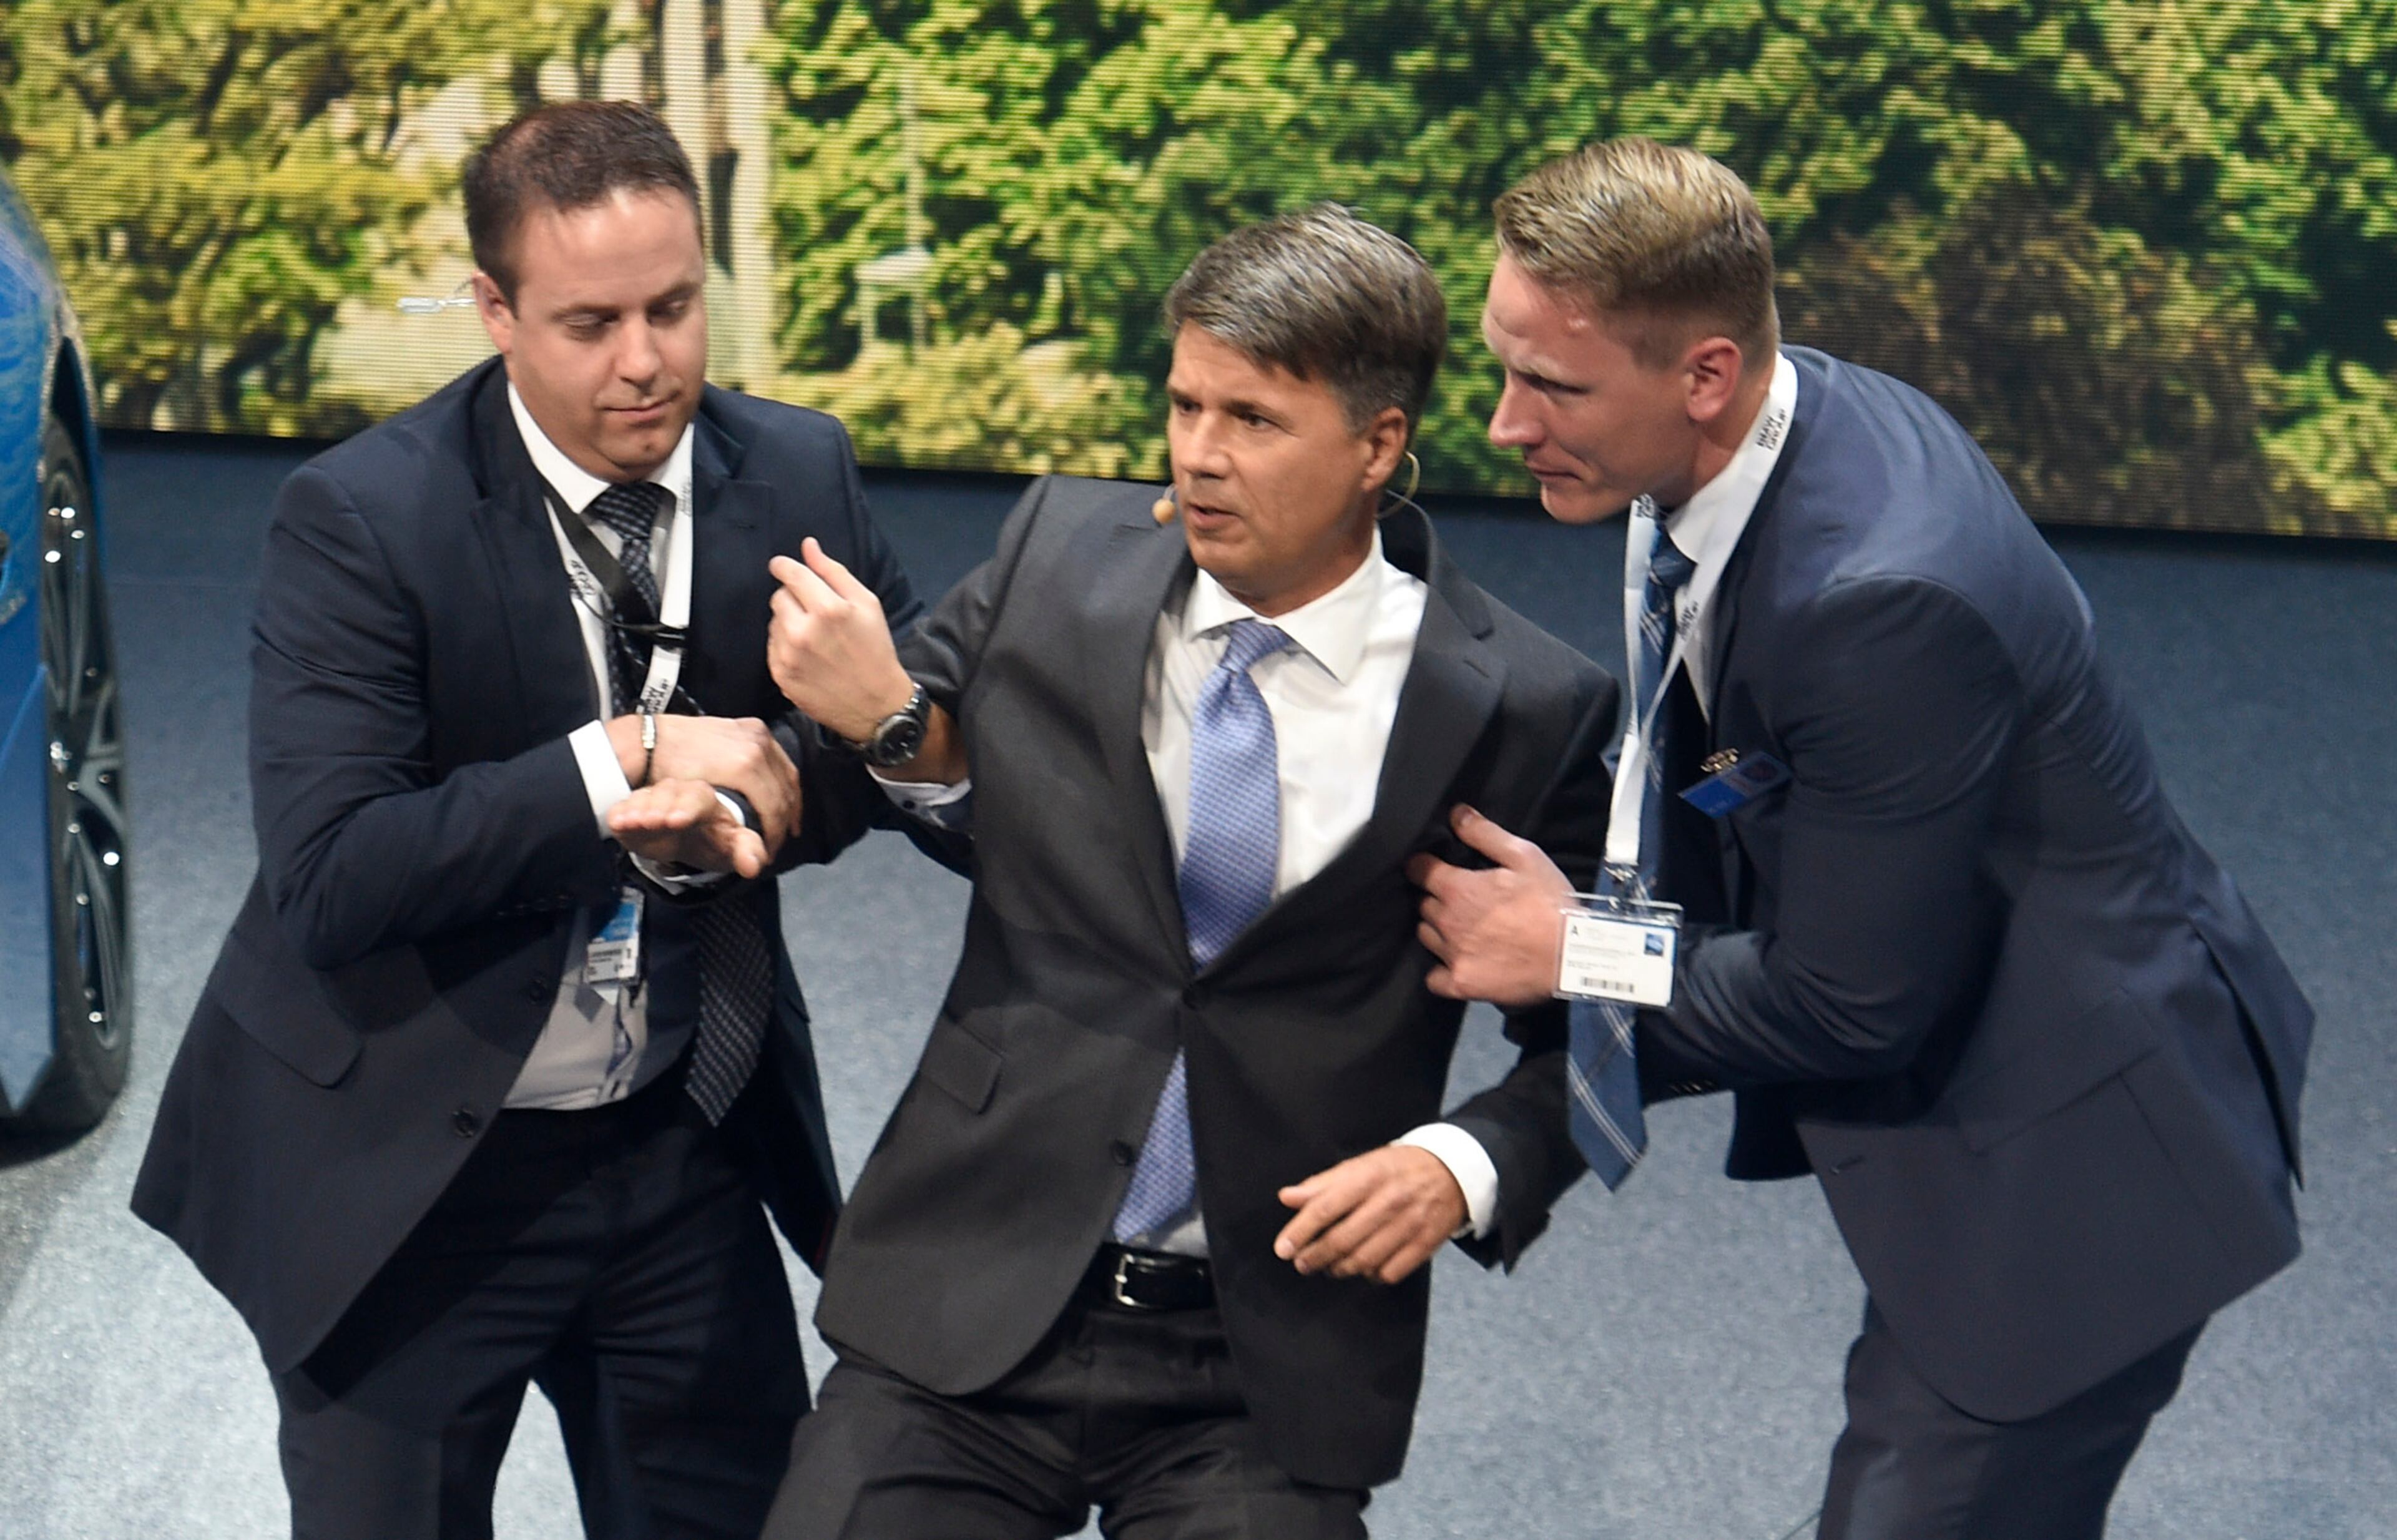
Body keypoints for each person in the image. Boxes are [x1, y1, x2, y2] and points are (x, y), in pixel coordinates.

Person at [1411, 137, 2313, 1538]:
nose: (1507, 424)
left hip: (2077, 1189)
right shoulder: (1786, 423)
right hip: (2029, 1081)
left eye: (1553, 386)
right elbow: (1751, 778)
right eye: (1506, 365)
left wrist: (1577, 946)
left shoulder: (1874, 601)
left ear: (1706, 372)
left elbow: (1851, 998)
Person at [751, 205, 1615, 1538]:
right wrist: (807, 742)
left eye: (1254, 420)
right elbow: (898, 770)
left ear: (1379, 444)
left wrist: (1467, 1162)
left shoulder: (1524, 706)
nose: (1200, 455)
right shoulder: (1055, 559)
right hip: (969, 1301)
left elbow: (1603, 1035)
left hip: (1260, 1372)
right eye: (1185, 404)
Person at [130, 101, 924, 1539]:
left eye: (676, 308)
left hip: (678, 1142)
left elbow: (885, 733)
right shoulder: (362, 518)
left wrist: (760, 795)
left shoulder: (799, 470)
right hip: (412, 1173)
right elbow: (335, 873)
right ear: (493, 310)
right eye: (591, 321)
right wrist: (622, 759)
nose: (646, 361)